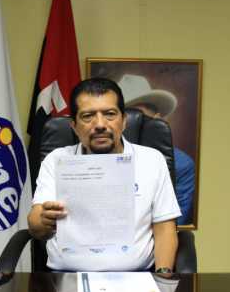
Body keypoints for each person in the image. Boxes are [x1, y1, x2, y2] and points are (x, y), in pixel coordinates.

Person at [28, 77, 181, 272]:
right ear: (74, 126)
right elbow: (35, 223)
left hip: (135, 277)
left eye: (109, 114)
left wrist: (163, 278)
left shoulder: (152, 160)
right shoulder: (57, 159)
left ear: (124, 121)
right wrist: (43, 220)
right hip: (67, 277)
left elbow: (165, 228)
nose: (100, 124)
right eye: (88, 116)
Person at [117, 74, 196, 226]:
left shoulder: (181, 164)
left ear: (157, 119)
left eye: (138, 116)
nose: (131, 123)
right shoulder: (100, 156)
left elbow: (176, 221)